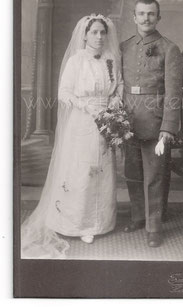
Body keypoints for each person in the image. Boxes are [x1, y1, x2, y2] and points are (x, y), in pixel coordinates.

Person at [21, 14, 123, 258]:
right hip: (83, 121)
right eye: (94, 32)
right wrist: (87, 107)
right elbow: (63, 92)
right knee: (82, 170)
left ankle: (101, 222)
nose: (99, 37)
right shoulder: (77, 61)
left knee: (104, 168)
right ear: (85, 35)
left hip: (106, 120)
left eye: (102, 32)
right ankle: (80, 224)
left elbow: (119, 85)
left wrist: (115, 103)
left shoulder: (111, 59)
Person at [121, 0, 183, 247]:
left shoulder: (169, 48)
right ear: (134, 17)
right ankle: (138, 216)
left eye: (151, 14)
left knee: (154, 176)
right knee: (132, 173)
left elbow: (174, 93)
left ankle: (154, 227)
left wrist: (167, 128)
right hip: (126, 120)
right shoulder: (124, 46)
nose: (146, 18)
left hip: (155, 121)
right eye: (141, 14)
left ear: (159, 18)